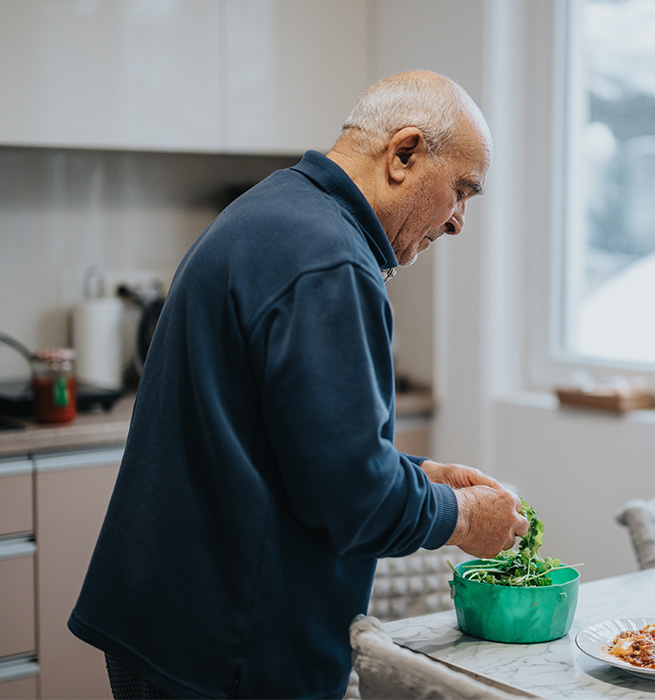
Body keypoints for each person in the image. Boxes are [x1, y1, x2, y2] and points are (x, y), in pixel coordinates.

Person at [68, 70, 529, 700]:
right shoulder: (330, 261)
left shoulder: (277, 211)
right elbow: (353, 501)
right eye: (462, 190)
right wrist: (462, 517)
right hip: (227, 650)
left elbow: (288, 446)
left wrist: (415, 475)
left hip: (170, 624)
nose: (458, 223)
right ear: (404, 154)